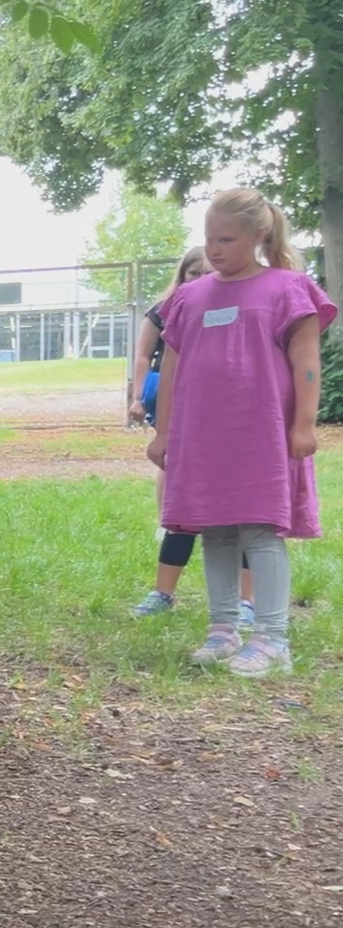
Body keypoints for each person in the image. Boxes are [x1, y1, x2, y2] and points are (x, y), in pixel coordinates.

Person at [146, 187, 332, 677]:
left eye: (226, 239)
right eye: (209, 238)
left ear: (259, 235)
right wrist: (164, 432)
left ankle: (272, 638)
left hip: (263, 434)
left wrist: (305, 423)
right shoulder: (188, 297)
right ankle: (222, 629)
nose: (214, 249)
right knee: (216, 531)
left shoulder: (288, 288)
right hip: (203, 436)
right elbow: (171, 370)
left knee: (260, 530)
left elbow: (306, 361)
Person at [129, 247, 254, 622]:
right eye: (192, 273)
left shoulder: (240, 309)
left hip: (234, 422)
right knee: (184, 508)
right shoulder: (171, 312)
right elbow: (156, 363)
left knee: (245, 512)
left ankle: (247, 602)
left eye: (208, 272)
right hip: (186, 418)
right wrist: (155, 420)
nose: (200, 280)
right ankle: (163, 592)